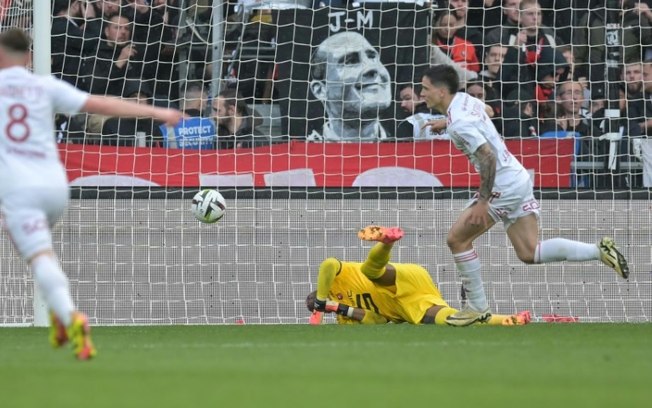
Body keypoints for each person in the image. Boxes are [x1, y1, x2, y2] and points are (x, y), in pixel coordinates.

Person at [0, 28, 183, 359]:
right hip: (56, 185)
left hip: (19, 187)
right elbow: (102, 103)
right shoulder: (45, 85)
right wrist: (158, 112)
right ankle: (58, 312)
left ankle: (70, 316)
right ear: (28, 57)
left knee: (36, 253)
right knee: (38, 247)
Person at [419, 65, 629, 326]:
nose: (421, 93)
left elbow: (487, 156)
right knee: (529, 252)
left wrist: (483, 202)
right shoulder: (463, 101)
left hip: (503, 185)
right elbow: (488, 111)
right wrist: (447, 121)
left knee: (456, 240)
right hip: (518, 177)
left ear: (441, 91)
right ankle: (598, 251)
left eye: (425, 88)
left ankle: (476, 307)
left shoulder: (460, 123)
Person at [307, 226, 531, 326]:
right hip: (405, 305)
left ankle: (386, 242)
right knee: (450, 318)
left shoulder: (336, 276)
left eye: (318, 298)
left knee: (370, 272)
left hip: (398, 278)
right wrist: (335, 307)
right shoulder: (341, 316)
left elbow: (328, 263)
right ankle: (506, 320)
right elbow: (378, 319)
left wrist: (320, 303)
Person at [308, 31, 392, 142]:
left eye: (372, 57)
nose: (372, 68)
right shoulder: (304, 152)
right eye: (351, 61)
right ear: (320, 90)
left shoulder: (411, 138)